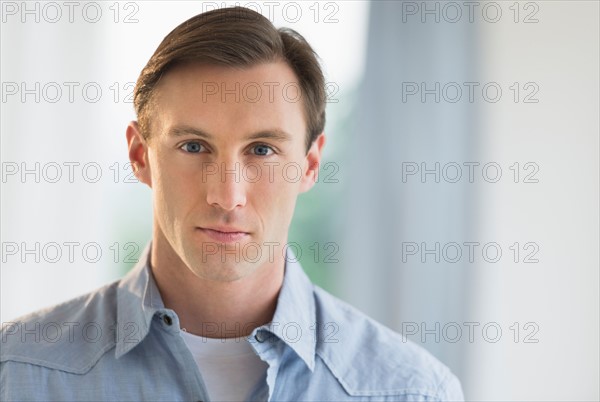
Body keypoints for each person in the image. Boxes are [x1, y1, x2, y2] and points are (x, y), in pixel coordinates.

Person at [0, 7, 464, 402]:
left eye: (262, 150)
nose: (227, 196)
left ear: (309, 164)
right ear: (141, 155)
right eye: (194, 146)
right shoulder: (17, 373)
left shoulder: (410, 391)